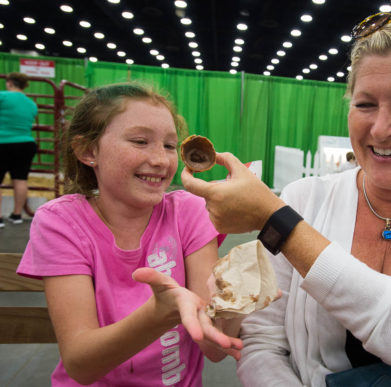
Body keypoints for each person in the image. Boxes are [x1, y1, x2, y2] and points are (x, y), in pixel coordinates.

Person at [181, 5, 391, 387]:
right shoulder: (304, 199)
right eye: (365, 104)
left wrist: (274, 220)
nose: (380, 128)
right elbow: (263, 342)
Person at [17, 83, 243, 386]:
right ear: (88, 151)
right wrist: (157, 315)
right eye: (140, 141)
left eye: (168, 145)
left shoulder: (188, 212)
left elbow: (213, 349)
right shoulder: (61, 223)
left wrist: (243, 300)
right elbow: (81, 365)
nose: (162, 160)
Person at [0, 72, 38, 228]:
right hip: (26, 143)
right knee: (21, 179)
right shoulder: (31, 104)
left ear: (9, 83)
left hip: (2, 142)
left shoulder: (3, 97)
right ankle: (17, 215)